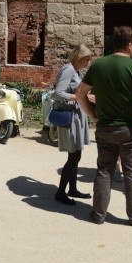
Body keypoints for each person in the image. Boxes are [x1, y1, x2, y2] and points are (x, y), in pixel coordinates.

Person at [75, 26, 132, 227]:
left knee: (104, 171)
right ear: (130, 44)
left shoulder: (98, 66)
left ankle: (98, 214)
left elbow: (80, 93)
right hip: (131, 129)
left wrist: (93, 115)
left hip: (105, 128)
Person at [51, 44, 95, 206]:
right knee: (73, 156)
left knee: (76, 155)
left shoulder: (75, 71)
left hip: (76, 116)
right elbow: (58, 93)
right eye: (86, 59)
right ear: (78, 57)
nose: (88, 62)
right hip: (70, 117)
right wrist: (81, 97)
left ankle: (72, 189)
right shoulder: (68, 70)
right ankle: (60, 192)